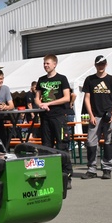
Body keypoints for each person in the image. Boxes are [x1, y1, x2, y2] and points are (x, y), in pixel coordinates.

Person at [35, 54, 73, 188]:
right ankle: (49, 175)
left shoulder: (62, 79)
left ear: (54, 64)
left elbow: (67, 98)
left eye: (48, 63)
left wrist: (50, 104)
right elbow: (37, 97)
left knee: (62, 146)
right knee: (46, 147)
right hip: (45, 117)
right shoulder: (41, 80)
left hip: (59, 117)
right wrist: (40, 104)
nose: (46, 66)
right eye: (44, 64)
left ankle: (67, 176)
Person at [81, 55, 112, 180]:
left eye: (102, 64)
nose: (101, 66)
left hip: (109, 115)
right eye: (99, 64)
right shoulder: (90, 80)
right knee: (91, 142)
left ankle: (107, 168)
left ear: (106, 64)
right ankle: (91, 169)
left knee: (109, 141)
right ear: (95, 65)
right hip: (95, 116)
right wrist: (91, 115)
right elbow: (86, 98)